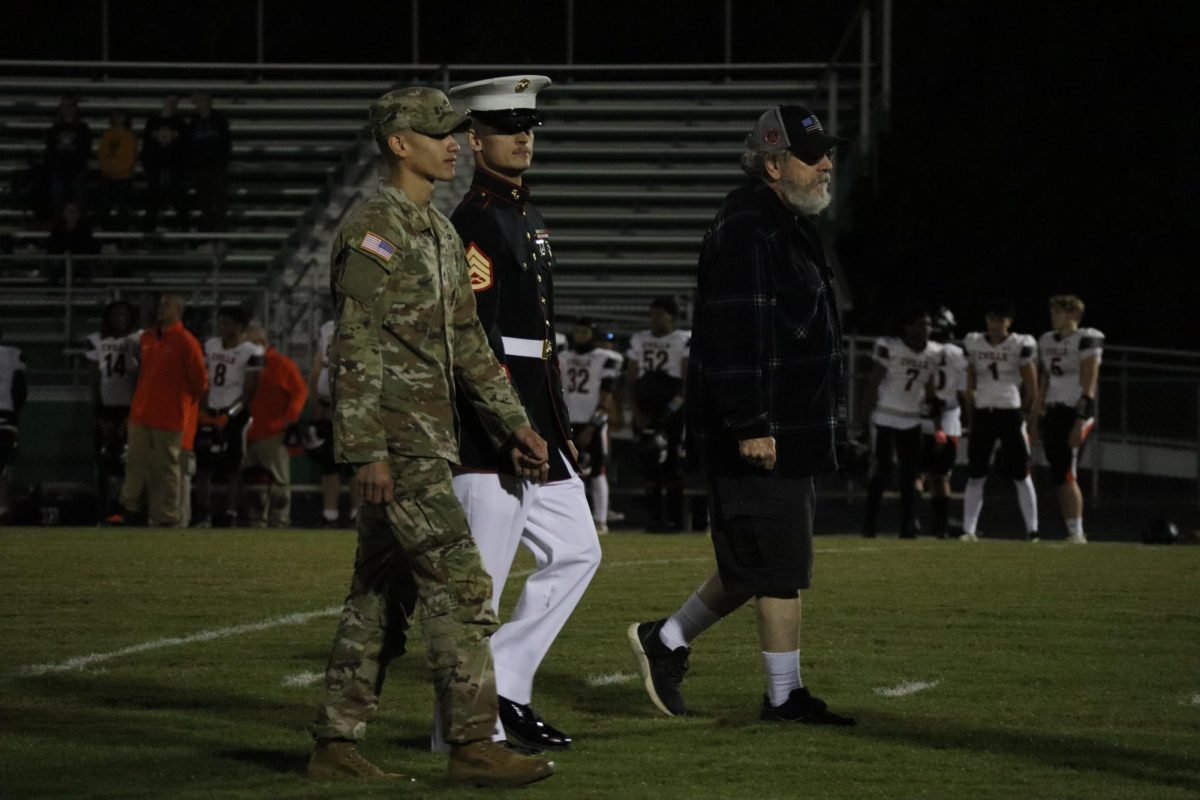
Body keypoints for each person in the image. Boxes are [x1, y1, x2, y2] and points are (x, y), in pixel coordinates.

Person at [307, 86, 554, 788]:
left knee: (380, 597)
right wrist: (366, 452)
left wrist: (514, 423)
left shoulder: (440, 232)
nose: (455, 142)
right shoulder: (373, 230)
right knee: (463, 582)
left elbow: (471, 344)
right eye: (440, 132)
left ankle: (334, 742)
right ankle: (474, 742)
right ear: (398, 143)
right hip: (399, 443)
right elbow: (353, 346)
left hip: (429, 440)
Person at [628, 104, 855, 725]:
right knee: (777, 565)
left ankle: (667, 639)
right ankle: (783, 695)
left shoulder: (779, 222)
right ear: (773, 164)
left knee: (759, 560)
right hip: (764, 429)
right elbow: (734, 332)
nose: (827, 164)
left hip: (788, 428)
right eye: (813, 156)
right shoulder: (750, 226)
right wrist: (751, 422)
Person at [436, 74, 601, 753]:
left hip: (536, 419)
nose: (523, 136)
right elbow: (475, 336)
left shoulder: (524, 213)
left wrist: (553, 424)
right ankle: (460, 736)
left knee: (578, 552)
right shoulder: (474, 218)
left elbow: (538, 338)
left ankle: (504, 690)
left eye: (528, 126)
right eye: (508, 127)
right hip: (492, 431)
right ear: (476, 140)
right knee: (481, 592)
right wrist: (510, 426)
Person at [110, 294, 208, 527]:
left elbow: (200, 383)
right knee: (135, 463)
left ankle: (167, 514)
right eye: (160, 304)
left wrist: (180, 403)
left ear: (178, 310)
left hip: (170, 414)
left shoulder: (186, 341)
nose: (160, 308)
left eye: (166, 305)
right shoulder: (147, 337)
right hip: (142, 411)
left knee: (167, 467)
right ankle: (130, 508)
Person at [960, 300, 1040, 541]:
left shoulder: (1020, 343)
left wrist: (1029, 418)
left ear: (1009, 322)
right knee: (976, 472)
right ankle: (969, 530)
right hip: (984, 411)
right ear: (986, 320)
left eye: (1000, 319)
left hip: (1010, 411)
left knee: (1021, 472)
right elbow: (970, 380)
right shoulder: (974, 342)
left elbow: (1031, 386)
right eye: (991, 319)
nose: (995, 324)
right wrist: (970, 411)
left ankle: (1032, 529)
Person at [860, 306, 940, 538]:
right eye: (920, 324)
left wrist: (937, 426)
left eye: (928, 324)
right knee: (881, 472)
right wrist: (865, 421)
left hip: (911, 420)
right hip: (885, 416)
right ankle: (869, 524)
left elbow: (931, 391)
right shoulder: (890, 346)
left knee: (910, 476)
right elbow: (873, 384)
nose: (926, 329)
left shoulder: (933, 353)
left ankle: (907, 526)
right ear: (907, 326)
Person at [1031, 295, 1103, 543]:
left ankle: (1077, 532)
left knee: (1067, 472)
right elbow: (1044, 381)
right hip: (1053, 409)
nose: (1053, 316)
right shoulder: (1046, 340)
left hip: (1075, 411)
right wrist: (1035, 416)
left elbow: (1088, 384)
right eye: (1053, 312)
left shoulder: (1086, 339)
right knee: (1059, 474)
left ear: (1074, 315)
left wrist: (1080, 420)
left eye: (1059, 312)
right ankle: (1071, 529)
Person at [193, 306, 263, 527]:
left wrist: (229, 415)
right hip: (210, 411)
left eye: (228, 323)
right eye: (221, 322)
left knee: (234, 465)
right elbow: (203, 380)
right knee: (203, 466)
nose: (223, 327)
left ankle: (231, 513)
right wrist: (204, 411)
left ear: (240, 326)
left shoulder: (252, 350)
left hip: (236, 414)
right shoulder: (211, 345)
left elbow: (250, 391)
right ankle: (203, 513)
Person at [626, 296, 691, 531]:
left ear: (671, 316)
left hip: (671, 405)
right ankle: (654, 520)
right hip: (647, 406)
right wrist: (636, 412)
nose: (654, 319)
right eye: (651, 314)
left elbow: (686, 380)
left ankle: (675, 520)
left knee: (673, 464)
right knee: (648, 464)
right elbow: (632, 379)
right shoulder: (639, 339)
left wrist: (671, 410)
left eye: (659, 314)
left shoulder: (683, 339)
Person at [561, 319, 624, 533]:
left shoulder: (606, 358)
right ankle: (569, 519)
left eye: (584, 331)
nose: (580, 335)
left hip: (593, 421)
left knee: (597, 471)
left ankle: (600, 519)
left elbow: (606, 397)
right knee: (568, 472)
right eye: (577, 330)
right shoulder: (563, 357)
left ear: (592, 335)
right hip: (568, 421)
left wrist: (592, 426)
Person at [242, 325, 306, 527]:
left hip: (273, 431)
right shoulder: (244, 364)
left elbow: (300, 391)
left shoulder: (280, 364)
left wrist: (290, 417)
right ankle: (257, 519)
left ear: (262, 343)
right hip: (248, 432)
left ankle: (279, 521)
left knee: (278, 481)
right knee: (253, 481)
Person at [86, 301, 142, 520]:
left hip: (129, 408)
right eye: (115, 315)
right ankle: (102, 509)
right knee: (103, 460)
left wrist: (132, 414)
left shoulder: (137, 339)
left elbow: (141, 378)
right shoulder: (96, 340)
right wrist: (99, 415)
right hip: (106, 407)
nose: (120, 319)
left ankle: (127, 509)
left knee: (129, 461)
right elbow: (94, 379)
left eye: (124, 315)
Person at [919, 306, 969, 538]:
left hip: (918, 417)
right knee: (941, 476)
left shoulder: (923, 349)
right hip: (947, 420)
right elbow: (963, 391)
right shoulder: (956, 354)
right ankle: (940, 525)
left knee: (917, 473)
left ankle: (912, 520)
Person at [305, 318, 360, 526]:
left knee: (354, 463)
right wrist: (315, 403)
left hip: (352, 403)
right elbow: (318, 364)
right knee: (330, 463)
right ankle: (330, 513)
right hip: (328, 403)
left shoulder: (365, 320)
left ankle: (356, 512)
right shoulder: (328, 327)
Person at [141, 95, 189, 232]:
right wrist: (148, 167)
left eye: (175, 102)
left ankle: (187, 236)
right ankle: (147, 236)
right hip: (156, 169)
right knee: (152, 205)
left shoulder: (180, 123)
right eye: (169, 101)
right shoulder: (153, 121)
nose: (172, 104)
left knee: (181, 204)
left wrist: (180, 168)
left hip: (174, 169)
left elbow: (185, 147)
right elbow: (146, 146)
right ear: (164, 102)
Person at [188, 93, 232, 232]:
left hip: (217, 167)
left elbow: (226, 142)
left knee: (219, 202)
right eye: (199, 102)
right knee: (204, 202)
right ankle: (209, 233)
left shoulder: (219, 119)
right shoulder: (193, 121)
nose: (201, 105)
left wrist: (223, 162)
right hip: (200, 168)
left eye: (204, 101)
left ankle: (220, 234)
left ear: (210, 103)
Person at [44, 95, 91, 217]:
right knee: (59, 206)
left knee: (79, 205)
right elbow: (50, 150)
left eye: (69, 105)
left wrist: (78, 166)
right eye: (63, 105)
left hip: (77, 171)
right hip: (59, 171)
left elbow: (86, 150)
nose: (66, 108)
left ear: (74, 108)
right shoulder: (55, 128)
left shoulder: (82, 128)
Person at [0, 328, 27, 521]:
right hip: (6, 415)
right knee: (3, 468)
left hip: (5, 414)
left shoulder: (12, 354)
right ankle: (2, 509)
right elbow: (20, 389)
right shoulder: (13, 354)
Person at [97, 109, 137, 230]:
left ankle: (121, 240)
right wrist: (107, 169)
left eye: (121, 116)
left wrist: (114, 170)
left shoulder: (130, 136)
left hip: (123, 179)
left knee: (122, 209)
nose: (118, 119)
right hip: (107, 177)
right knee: (103, 208)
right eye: (116, 116)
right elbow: (101, 155)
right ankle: (106, 237)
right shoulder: (107, 135)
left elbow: (130, 159)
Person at [45, 202, 98, 283]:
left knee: (72, 266)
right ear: (64, 213)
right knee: (55, 266)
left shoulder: (85, 229)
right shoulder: (57, 228)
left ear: (78, 215)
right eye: (69, 211)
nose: (71, 215)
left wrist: (73, 254)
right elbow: (52, 246)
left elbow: (89, 247)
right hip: (61, 261)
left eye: (74, 212)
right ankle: (55, 293)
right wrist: (62, 253)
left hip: (79, 262)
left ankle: (70, 293)